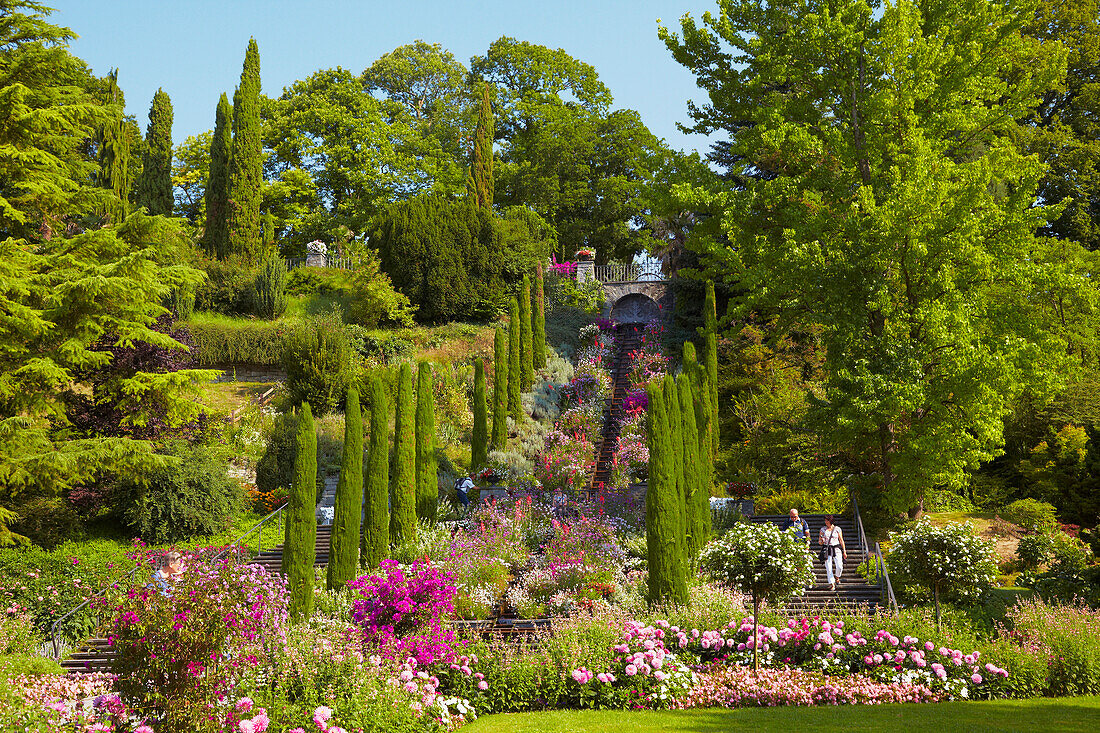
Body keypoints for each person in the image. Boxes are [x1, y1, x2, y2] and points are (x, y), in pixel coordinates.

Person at [819, 515, 847, 591]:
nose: (825, 522)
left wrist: (844, 550)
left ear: (830, 521)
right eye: (825, 520)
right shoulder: (823, 529)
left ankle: (837, 576)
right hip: (827, 548)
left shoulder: (837, 529)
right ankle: (832, 583)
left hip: (836, 548)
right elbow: (820, 542)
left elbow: (841, 540)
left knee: (839, 566)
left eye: (827, 520)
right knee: (828, 567)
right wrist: (821, 540)